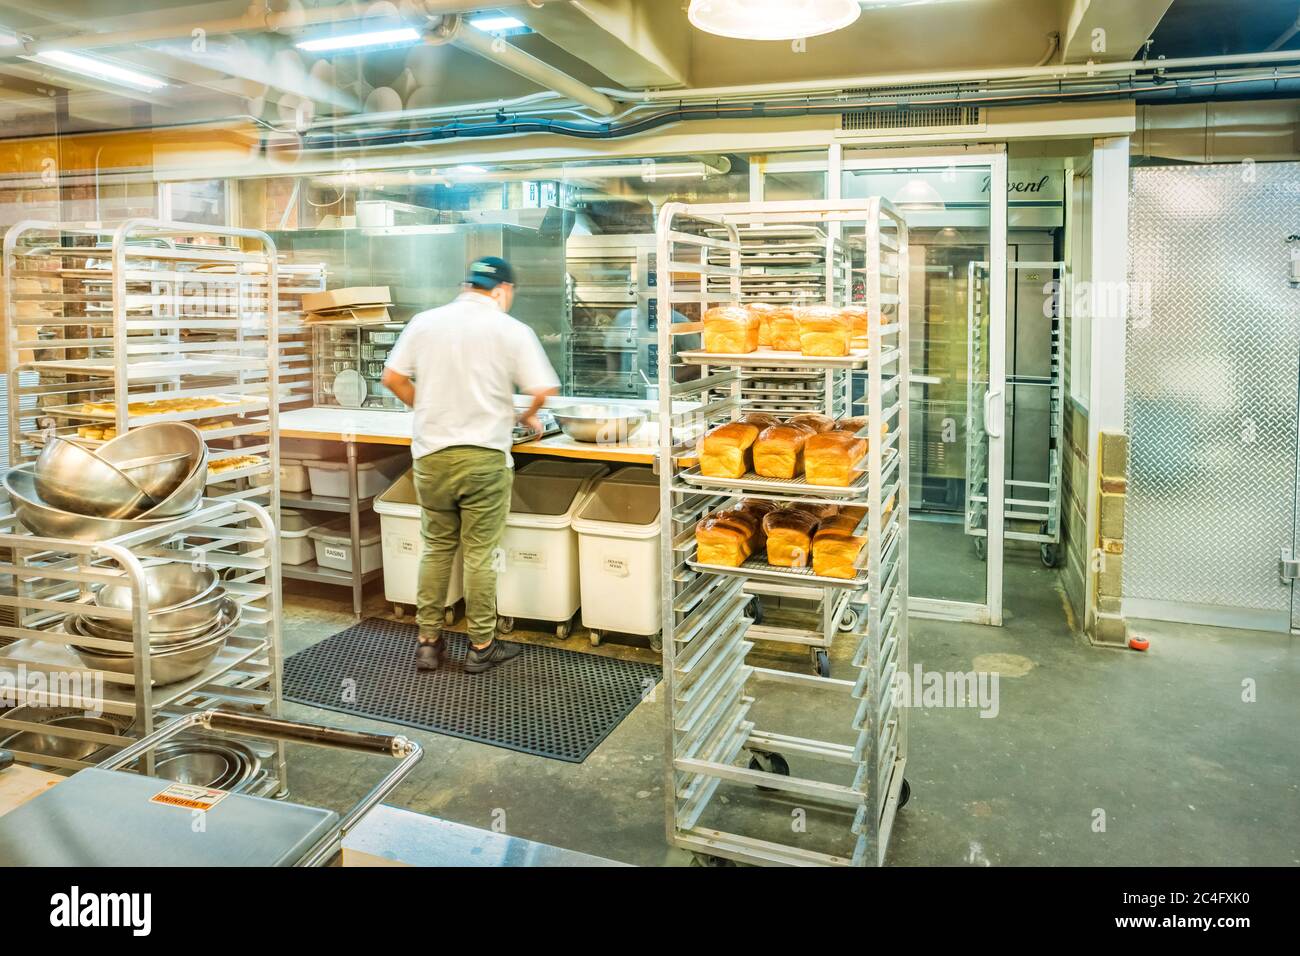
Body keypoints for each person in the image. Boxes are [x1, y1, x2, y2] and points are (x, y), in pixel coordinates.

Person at [381, 256, 560, 673]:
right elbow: (543, 387)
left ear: (467, 285)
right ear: (502, 289)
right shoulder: (510, 329)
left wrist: (423, 405)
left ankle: (428, 642)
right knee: (480, 554)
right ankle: (481, 646)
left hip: (432, 456)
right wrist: (529, 415)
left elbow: (391, 378)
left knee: (437, 548)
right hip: (483, 457)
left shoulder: (425, 322)